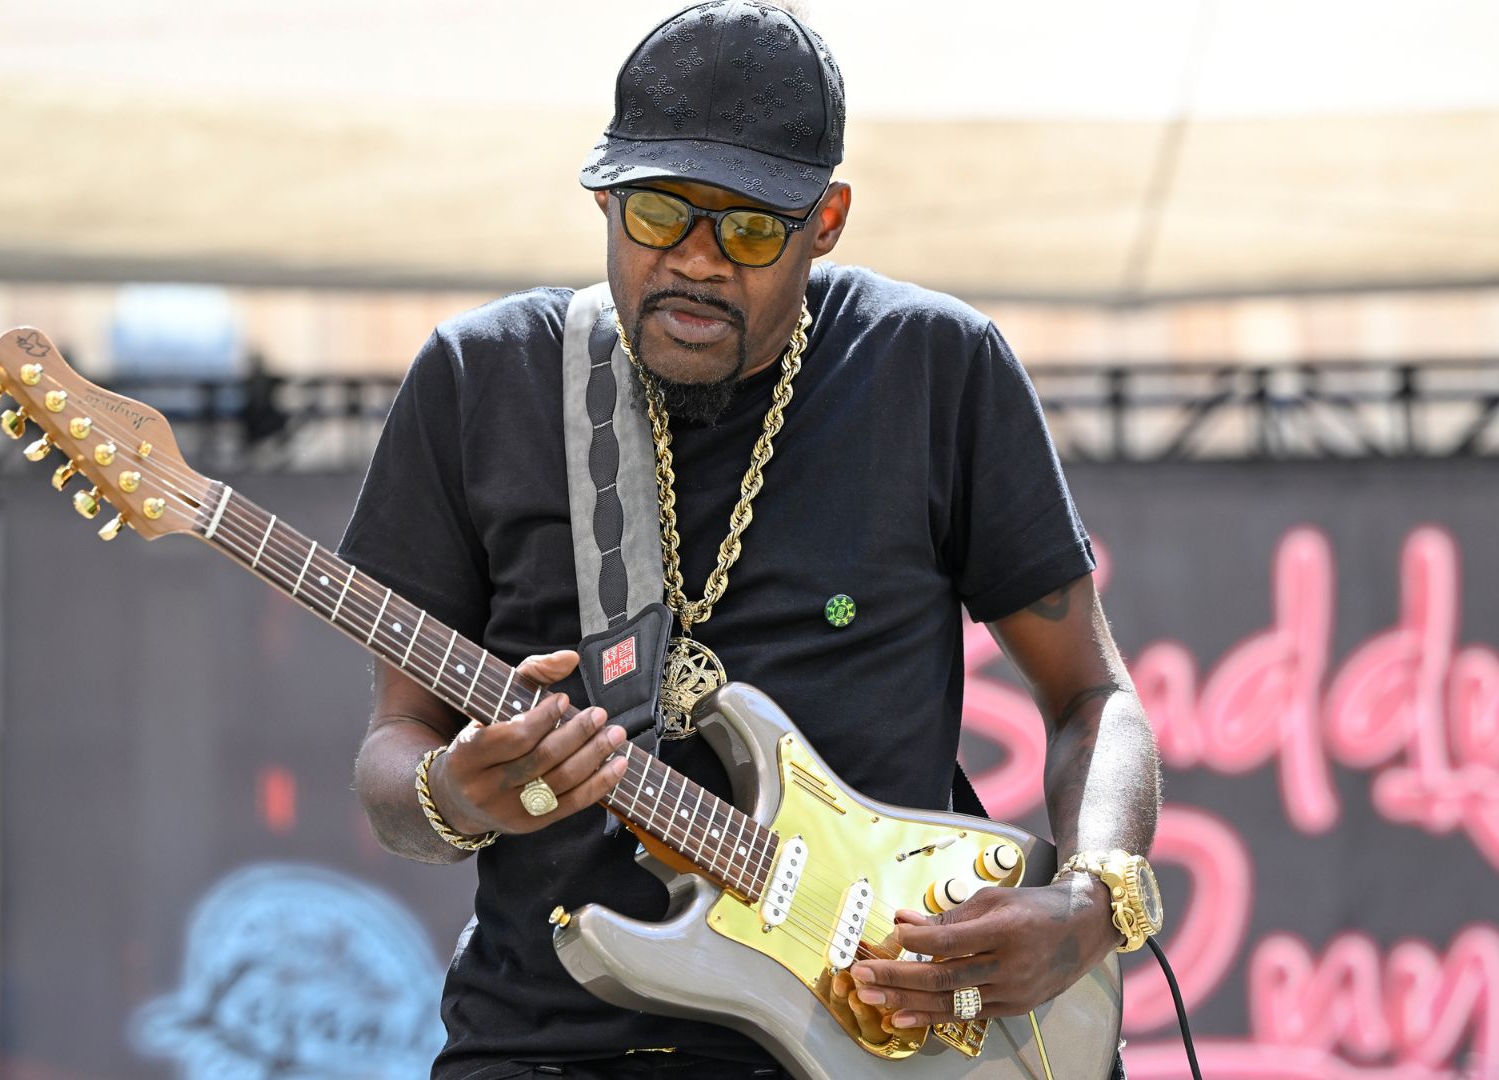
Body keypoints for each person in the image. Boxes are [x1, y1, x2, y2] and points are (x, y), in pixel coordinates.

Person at [341, 3, 1161, 1077]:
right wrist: (451, 794)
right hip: (545, 1044)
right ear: (602, 195)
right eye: (657, 216)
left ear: (826, 223)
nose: (697, 260)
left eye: (752, 228)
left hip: (885, 1039)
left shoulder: (931, 367)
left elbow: (1093, 697)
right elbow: (393, 751)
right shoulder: (476, 383)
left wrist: (1093, 900)